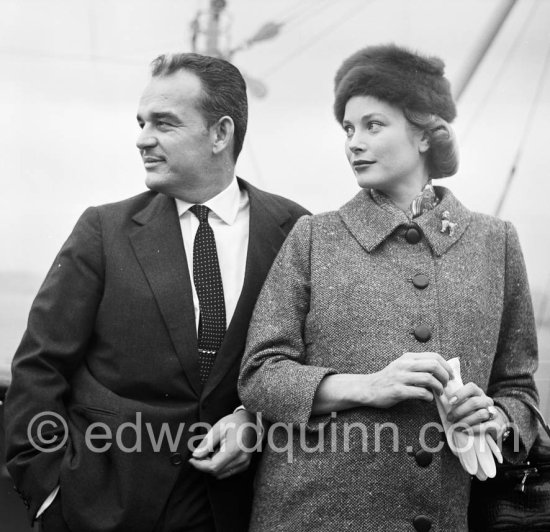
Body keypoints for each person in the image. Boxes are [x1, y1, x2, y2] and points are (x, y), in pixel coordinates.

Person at [238, 44, 539, 531]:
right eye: (348, 129)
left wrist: (495, 419)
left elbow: (519, 390)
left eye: (373, 125)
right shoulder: (315, 236)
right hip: (310, 517)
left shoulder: (495, 243)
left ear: (425, 133)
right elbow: (259, 376)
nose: (354, 142)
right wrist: (368, 386)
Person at [4, 53, 308, 532]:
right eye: (142, 122)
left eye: (164, 124)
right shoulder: (103, 231)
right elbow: (38, 368)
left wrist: (254, 420)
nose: (143, 138)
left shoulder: (295, 231)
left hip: (241, 511)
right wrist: (48, 495)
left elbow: (306, 367)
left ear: (220, 134)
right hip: (103, 511)